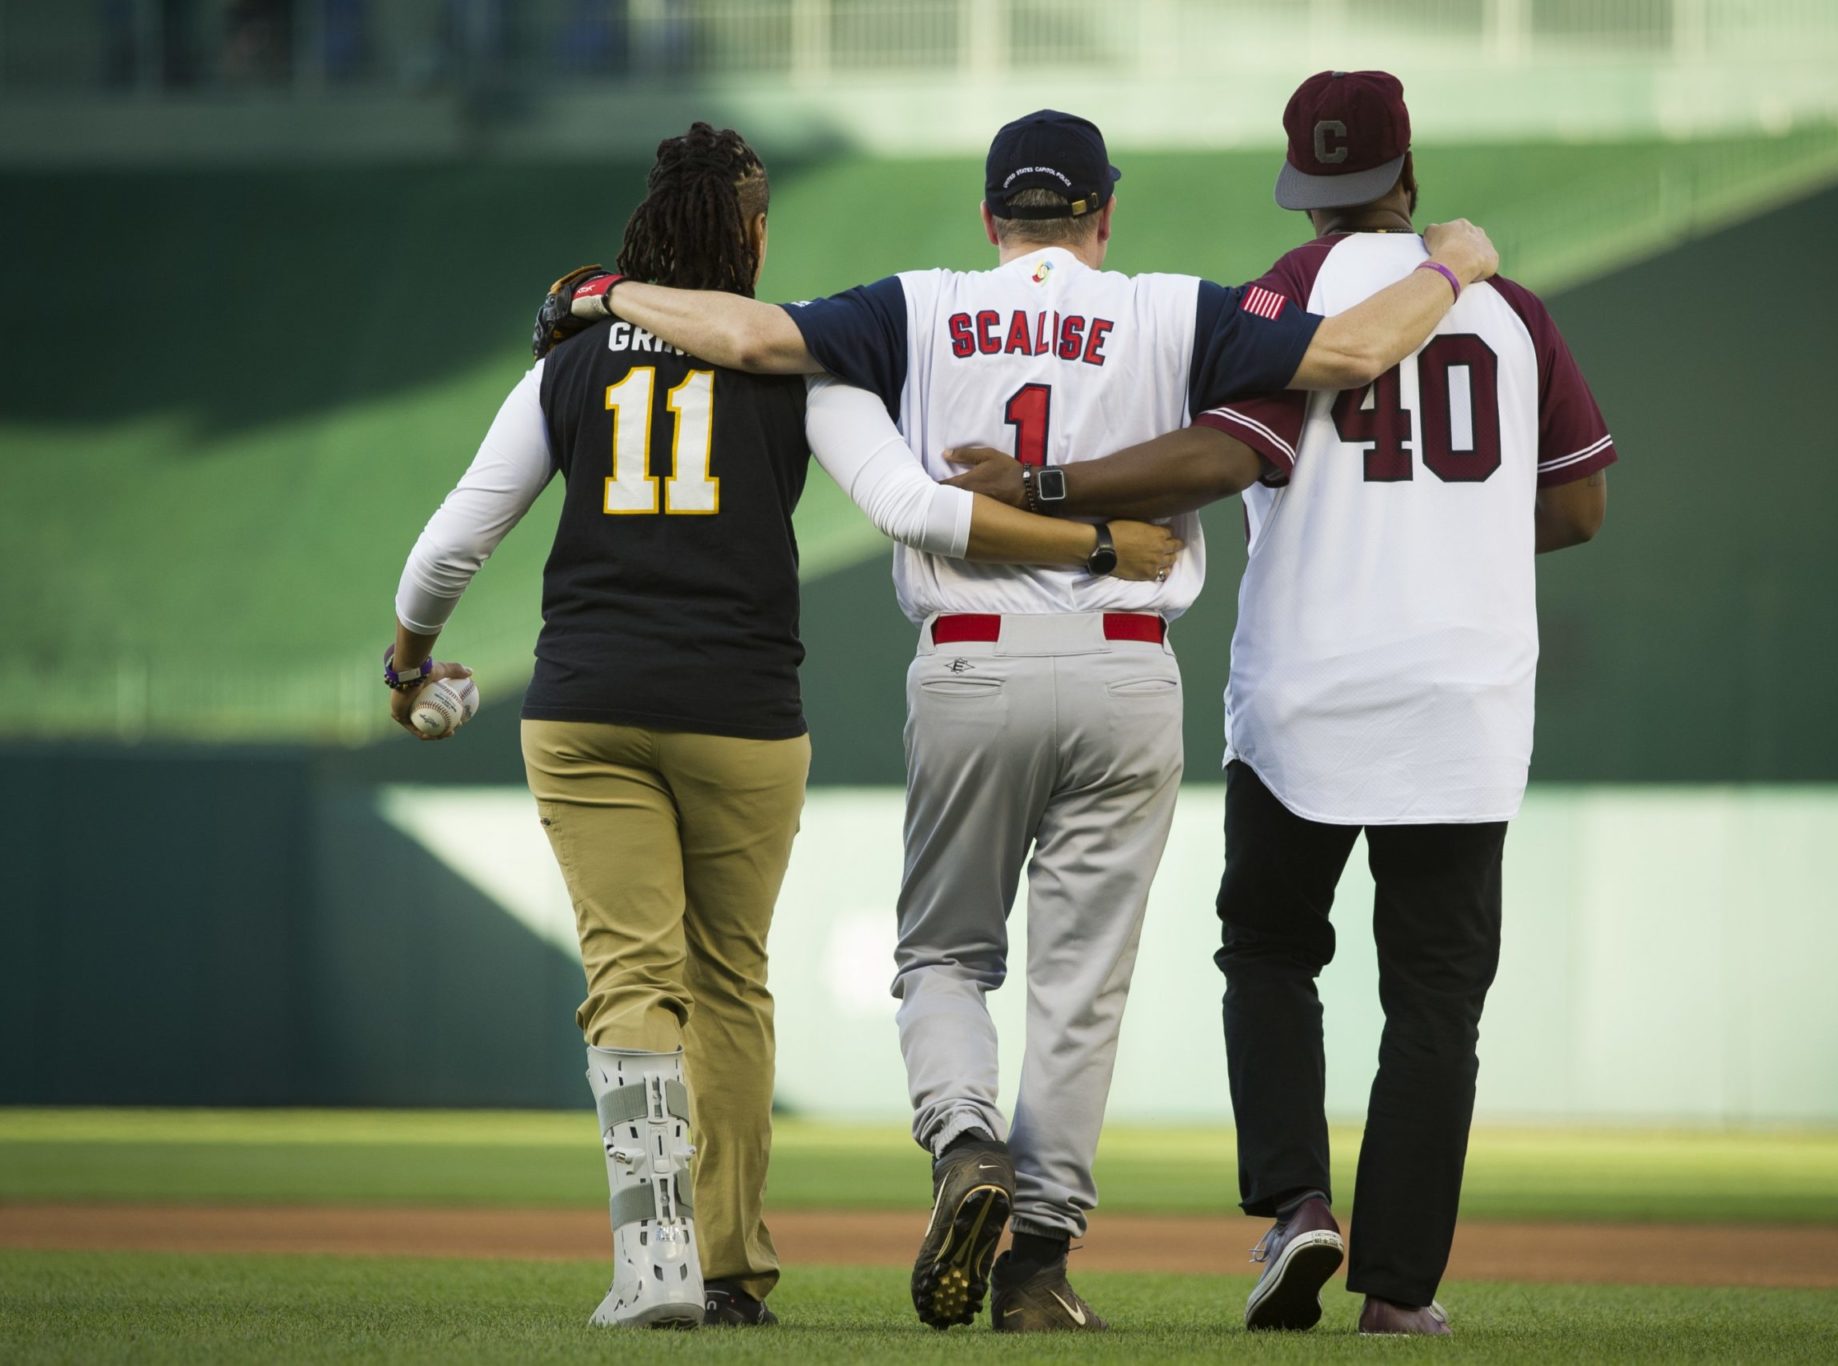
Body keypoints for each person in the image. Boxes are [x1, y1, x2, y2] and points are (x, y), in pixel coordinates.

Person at [539, 108, 1498, 1331]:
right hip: (1126, 662)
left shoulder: (919, 302)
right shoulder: (1169, 306)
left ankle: (960, 1147)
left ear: (991, 220)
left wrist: (602, 294)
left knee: (943, 956)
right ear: (1104, 213)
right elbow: (1360, 352)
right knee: (1078, 987)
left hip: (968, 664)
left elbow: (737, 330)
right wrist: (1451, 263)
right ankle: (1036, 1265)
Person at [384, 123, 1180, 1332]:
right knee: (728, 981)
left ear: (643, 235)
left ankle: (648, 1265)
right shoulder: (797, 363)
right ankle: (728, 1266)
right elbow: (917, 508)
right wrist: (1099, 544)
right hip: (743, 713)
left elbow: (450, 546)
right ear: (751, 234)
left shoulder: (571, 359)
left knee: (630, 980)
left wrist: (407, 660)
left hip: (589, 705)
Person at [939, 71, 1614, 1338]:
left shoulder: (1281, 297)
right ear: (1407, 175)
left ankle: (1296, 1205)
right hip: (1462, 707)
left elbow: (1221, 455)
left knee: (1267, 950)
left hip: (1307, 693)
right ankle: (1400, 1294)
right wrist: (1446, 529)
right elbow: (1576, 504)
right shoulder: (1508, 310)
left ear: (1303, 191)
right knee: (1431, 1002)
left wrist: (1053, 480)